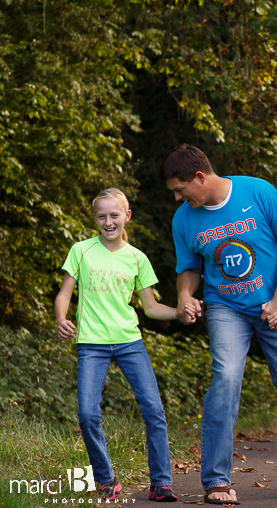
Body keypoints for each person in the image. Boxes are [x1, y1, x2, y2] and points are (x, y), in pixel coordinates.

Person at [161, 144, 277, 505]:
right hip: (226, 308)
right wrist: (185, 296)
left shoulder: (258, 191)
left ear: (200, 177)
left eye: (180, 188)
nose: (177, 196)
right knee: (226, 379)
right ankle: (216, 482)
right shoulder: (184, 219)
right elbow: (188, 268)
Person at [55, 188, 178, 503]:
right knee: (86, 412)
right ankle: (106, 478)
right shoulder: (81, 250)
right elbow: (64, 293)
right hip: (91, 345)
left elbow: (150, 308)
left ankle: (161, 483)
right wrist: (61, 318)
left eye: (114, 215)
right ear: (95, 219)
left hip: (129, 342)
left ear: (127, 216)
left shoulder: (137, 258)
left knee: (153, 409)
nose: (108, 222)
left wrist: (180, 312)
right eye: (101, 216)